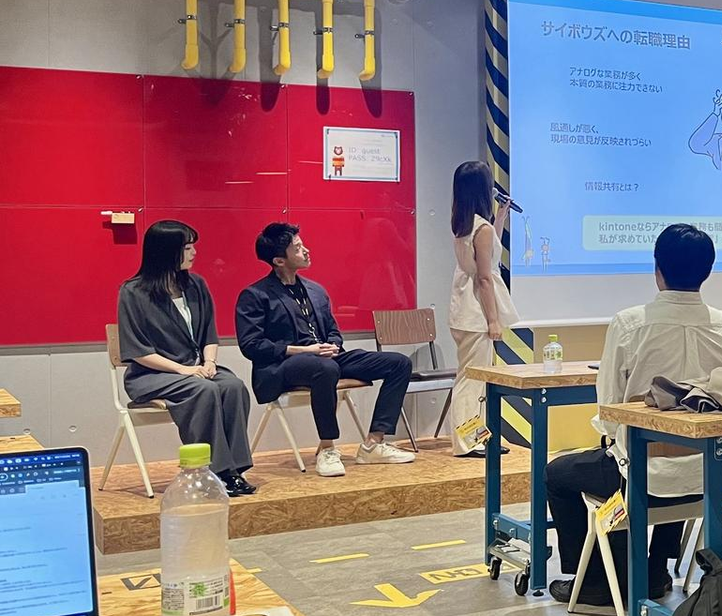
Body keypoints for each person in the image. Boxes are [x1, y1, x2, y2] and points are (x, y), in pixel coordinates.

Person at [545, 224, 722, 606]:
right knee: (681, 448)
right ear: (708, 271)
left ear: (657, 270)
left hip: (640, 475)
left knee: (559, 473)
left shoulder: (629, 324)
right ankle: (655, 571)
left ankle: (596, 580)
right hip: (711, 475)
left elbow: (609, 408)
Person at [235, 223, 415, 477]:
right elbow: (251, 345)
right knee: (325, 368)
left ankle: (374, 443)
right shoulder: (255, 295)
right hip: (282, 366)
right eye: (298, 248)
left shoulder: (315, 290)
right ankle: (328, 448)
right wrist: (302, 351)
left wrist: (333, 345)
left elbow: (333, 330)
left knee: (399, 363)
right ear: (279, 260)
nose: (306, 251)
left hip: (325, 359)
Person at [117, 221, 256, 497]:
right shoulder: (133, 292)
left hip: (196, 369)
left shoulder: (196, 285)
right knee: (204, 390)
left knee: (232, 386)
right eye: (187, 247)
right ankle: (213, 472)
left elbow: (210, 335)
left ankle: (234, 469)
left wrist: (209, 363)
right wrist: (184, 370)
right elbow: (138, 351)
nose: (194, 253)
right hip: (151, 375)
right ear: (167, 251)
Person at [447, 161, 520, 458]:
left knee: (472, 378)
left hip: (462, 308)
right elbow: (486, 278)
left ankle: (477, 438)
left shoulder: (465, 223)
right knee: (472, 379)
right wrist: (493, 320)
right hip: (476, 313)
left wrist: (500, 217)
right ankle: (467, 442)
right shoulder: (482, 228)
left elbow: (487, 252)